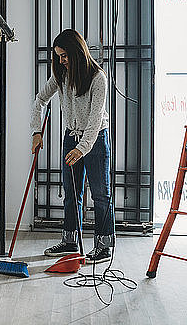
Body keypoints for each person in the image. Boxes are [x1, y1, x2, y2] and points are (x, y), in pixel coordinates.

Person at [30, 29, 114, 264]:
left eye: (64, 55)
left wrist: (82, 148)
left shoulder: (98, 78)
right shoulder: (61, 75)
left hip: (95, 139)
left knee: (100, 194)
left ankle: (103, 244)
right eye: (58, 56)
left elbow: (96, 118)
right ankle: (70, 241)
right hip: (71, 138)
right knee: (71, 194)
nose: (61, 61)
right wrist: (37, 131)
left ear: (77, 53)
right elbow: (40, 99)